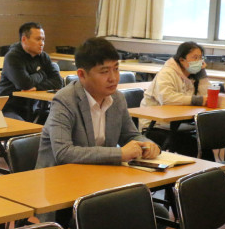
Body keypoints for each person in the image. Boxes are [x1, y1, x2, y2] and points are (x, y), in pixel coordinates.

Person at [37, 37, 159, 169]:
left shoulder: (117, 98)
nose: (113, 78)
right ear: (82, 75)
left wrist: (147, 144)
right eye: (104, 72)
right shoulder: (65, 100)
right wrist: (119, 153)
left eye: (116, 69)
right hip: (59, 175)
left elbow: (130, 135)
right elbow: (63, 153)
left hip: (99, 173)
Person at [0, 22, 62, 121]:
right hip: (9, 107)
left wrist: (37, 87)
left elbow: (58, 82)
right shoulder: (13, 57)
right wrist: (43, 74)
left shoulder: (44, 56)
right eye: (38, 39)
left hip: (32, 107)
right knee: (22, 126)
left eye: (43, 39)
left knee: (58, 120)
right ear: (24, 39)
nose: (42, 43)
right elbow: (25, 84)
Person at [141, 41, 211, 107]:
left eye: (200, 58)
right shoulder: (167, 72)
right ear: (182, 60)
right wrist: (195, 100)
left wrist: (202, 74)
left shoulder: (194, 74)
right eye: (195, 58)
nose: (199, 61)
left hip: (179, 112)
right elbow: (166, 98)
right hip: (152, 113)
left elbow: (206, 97)